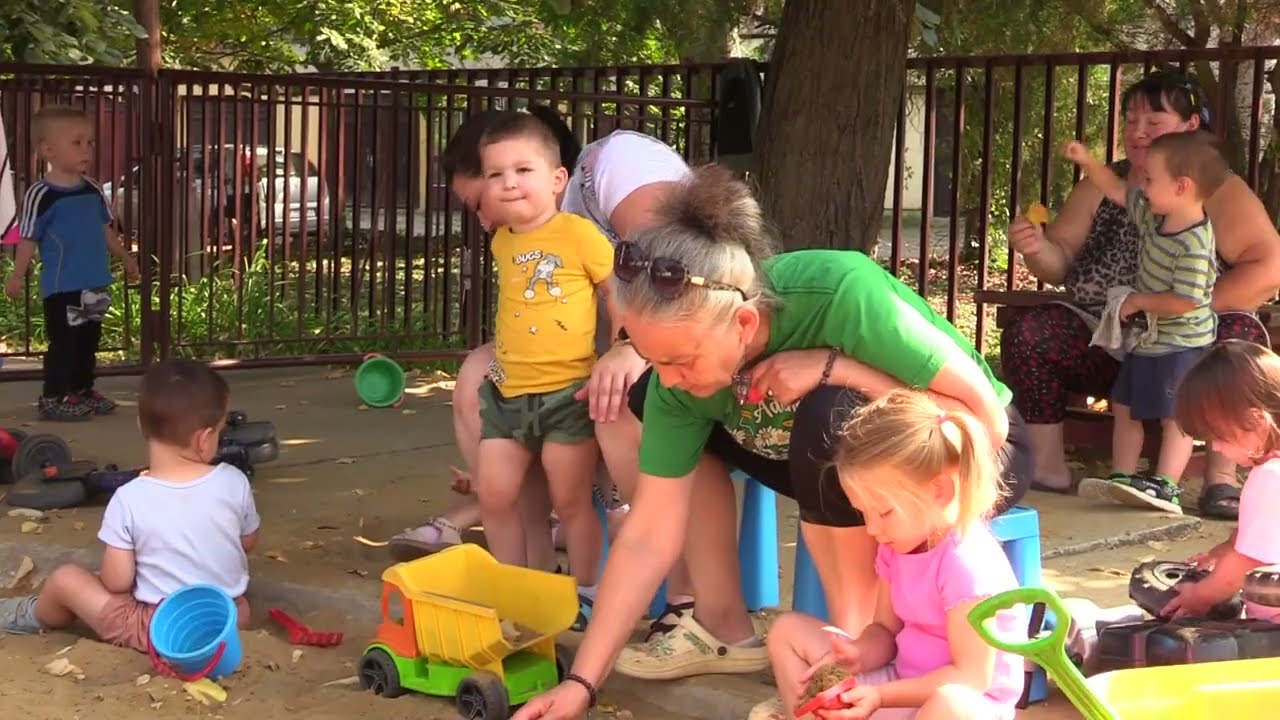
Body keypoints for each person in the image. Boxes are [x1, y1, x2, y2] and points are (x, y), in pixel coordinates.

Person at [511, 165, 1032, 720]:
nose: (669, 377)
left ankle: (849, 664)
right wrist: (583, 685)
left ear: (743, 323)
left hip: (959, 455)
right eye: (652, 357)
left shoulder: (840, 292)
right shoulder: (675, 379)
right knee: (659, 404)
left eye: (680, 360)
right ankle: (730, 628)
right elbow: (646, 538)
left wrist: (839, 368)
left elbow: (984, 426)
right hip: (811, 454)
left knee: (830, 419)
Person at [390, 108, 704, 642]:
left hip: (680, 328)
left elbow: (671, 266)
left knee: (609, 409)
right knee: (474, 375)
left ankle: (683, 596)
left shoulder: (612, 170)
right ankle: (532, 576)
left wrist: (631, 348)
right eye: (493, 181)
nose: (487, 215)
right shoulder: (512, 237)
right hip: (536, 386)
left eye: (477, 204)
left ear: (551, 175)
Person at [1000, 66, 1280, 519]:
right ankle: (1048, 468)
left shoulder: (1215, 187)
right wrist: (1036, 248)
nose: (1137, 131)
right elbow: (1059, 263)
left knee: (1239, 337)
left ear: (1189, 127)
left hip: (1187, 340)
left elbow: (1270, 266)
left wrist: (1185, 310)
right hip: (1106, 332)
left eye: (1153, 121)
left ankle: (1221, 479)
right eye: (1130, 120)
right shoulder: (1108, 183)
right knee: (1033, 330)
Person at [751, 391, 1023, 720]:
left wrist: (880, 696)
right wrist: (858, 653)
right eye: (863, 513)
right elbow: (884, 629)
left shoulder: (968, 565)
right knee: (786, 633)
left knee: (951, 704)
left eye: (884, 512)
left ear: (939, 491)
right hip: (901, 688)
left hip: (961, 705)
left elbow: (971, 679)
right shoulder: (898, 543)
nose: (871, 528)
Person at [0, 359, 258, 650]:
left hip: (156, 628)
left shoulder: (129, 498)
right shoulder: (235, 481)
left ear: (139, 424)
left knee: (66, 579)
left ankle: (33, 615)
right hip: (227, 618)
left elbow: (117, 583)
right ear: (205, 438)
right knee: (240, 599)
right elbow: (247, 541)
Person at [472, 112, 612, 627]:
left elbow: (616, 291)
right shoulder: (502, 240)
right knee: (494, 494)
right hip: (507, 395)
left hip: (568, 394)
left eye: (523, 170)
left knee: (571, 502)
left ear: (557, 179)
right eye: (495, 174)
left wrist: (620, 348)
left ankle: (586, 592)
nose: (508, 182)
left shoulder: (578, 235)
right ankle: (513, 591)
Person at [1063, 132, 1227, 514]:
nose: (1143, 185)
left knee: (1176, 417)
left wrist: (1139, 301)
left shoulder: (1194, 244)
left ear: (1182, 186)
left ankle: (1166, 484)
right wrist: (1088, 162)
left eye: (1151, 179)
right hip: (1149, 339)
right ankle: (1122, 477)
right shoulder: (1156, 216)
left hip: (1183, 343)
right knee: (1123, 405)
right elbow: (1118, 190)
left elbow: (1186, 300)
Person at [5, 105, 140, 421]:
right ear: (48, 150)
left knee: (88, 341)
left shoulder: (93, 189)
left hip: (95, 281)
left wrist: (124, 256)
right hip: (63, 287)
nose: (86, 150)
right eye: (77, 143)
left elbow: (104, 229)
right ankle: (53, 397)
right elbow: (28, 239)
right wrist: (17, 275)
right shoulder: (42, 194)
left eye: (89, 143)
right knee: (64, 343)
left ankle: (81, 389)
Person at [1162, 341, 1280, 620]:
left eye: (1218, 435)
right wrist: (1223, 551)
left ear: (1256, 422)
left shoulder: (1269, 478)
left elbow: (1248, 561)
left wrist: (1200, 595)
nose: (1214, 448)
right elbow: (1257, 537)